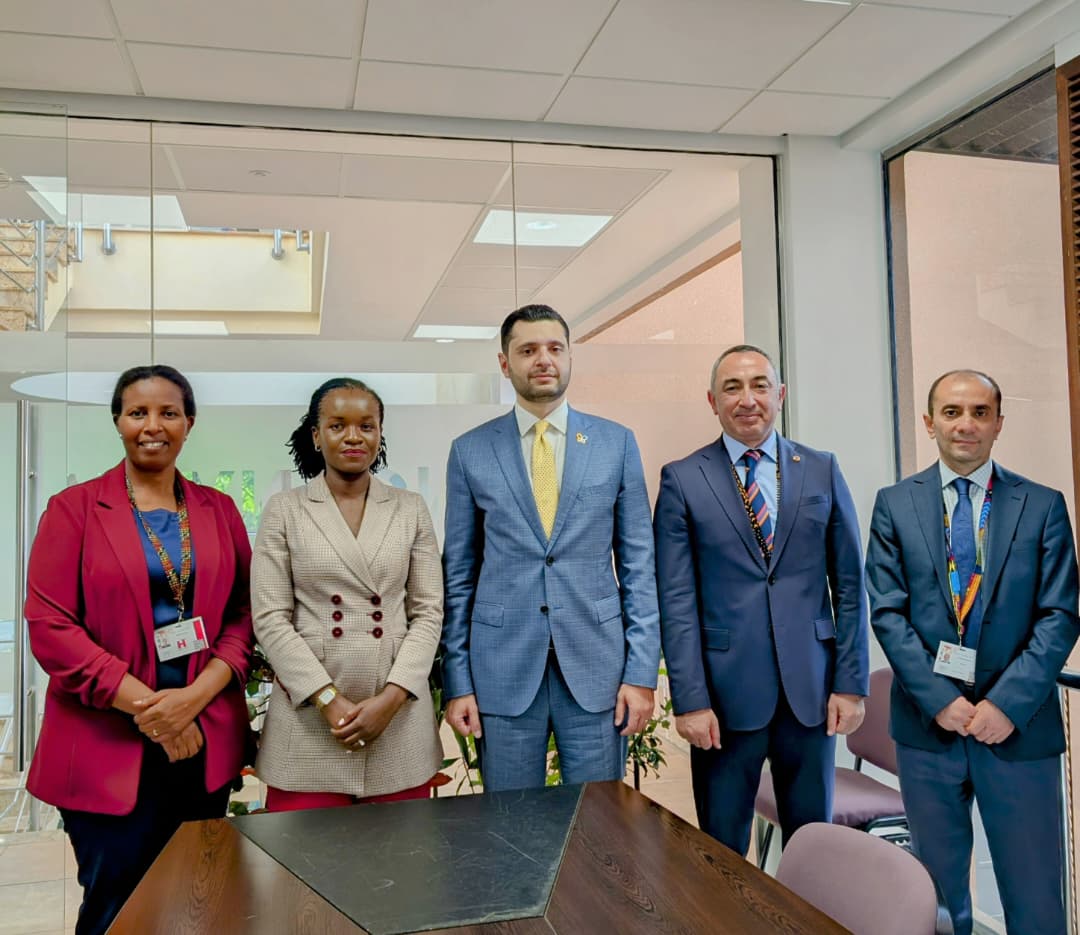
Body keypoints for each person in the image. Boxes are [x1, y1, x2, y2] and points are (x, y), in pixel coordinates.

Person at [25, 365, 253, 935]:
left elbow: (245, 615)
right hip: (107, 745)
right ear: (119, 423)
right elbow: (51, 627)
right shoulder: (74, 509)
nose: (153, 426)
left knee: (199, 902)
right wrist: (156, 712)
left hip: (202, 745)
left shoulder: (218, 510)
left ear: (189, 423)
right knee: (117, 908)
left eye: (168, 412)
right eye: (138, 413)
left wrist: (191, 700)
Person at [866, 369, 1080, 935]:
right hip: (927, 731)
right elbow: (888, 612)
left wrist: (1005, 704)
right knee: (936, 902)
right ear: (929, 422)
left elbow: (1060, 615)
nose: (967, 425)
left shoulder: (1042, 505)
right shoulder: (894, 505)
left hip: (1020, 733)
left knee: (1035, 901)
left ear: (999, 424)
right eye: (954, 412)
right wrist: (939, 699)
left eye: (980, 413)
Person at [653, 344, 868, 855]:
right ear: (712, 400)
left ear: (780, 395)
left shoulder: (821, 469)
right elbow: (675, 600)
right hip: (724, 704)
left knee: (813, 849)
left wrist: (851, 684)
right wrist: (691, 699)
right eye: (732, 388)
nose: (747, 399)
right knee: (722, 854)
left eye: (759, 386)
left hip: (812, 698)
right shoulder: (683, 479)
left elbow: (851, 585)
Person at [441, 303, 660, 790]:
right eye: (527, 350)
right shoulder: (470, 451)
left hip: (597, 667)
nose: (543, 359)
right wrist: (458, 682)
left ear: (569, 356)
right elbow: (458, 575)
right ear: (505, 363)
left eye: (554, 348)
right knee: (511, 828)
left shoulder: (615, 443)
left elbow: (639, 567)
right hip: (503, 668)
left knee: (598, 823)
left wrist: (641, 672)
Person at [252, 377, 443, 810]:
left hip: (397, 715)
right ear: (316, 436)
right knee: (301, 869)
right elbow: (270, 617)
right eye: (338, 425)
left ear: (380, 434)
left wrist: (391, 700)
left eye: (367, 425)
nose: (354, 436)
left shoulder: (410, 507)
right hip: (310, 719)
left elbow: (429, 612)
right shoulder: (285, 510)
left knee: (402, 865)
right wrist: (326, 699)